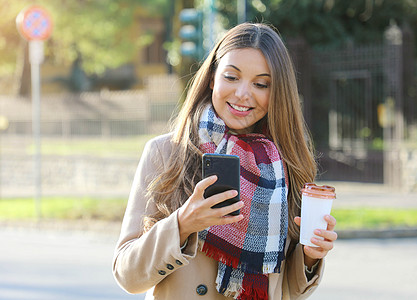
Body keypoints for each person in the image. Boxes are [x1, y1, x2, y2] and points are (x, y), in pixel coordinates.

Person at [112, 22, 337, 300]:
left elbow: (285, 290)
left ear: (277, 92)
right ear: (212, 78)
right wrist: (182, 225)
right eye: (231, 77)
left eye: (260, 84)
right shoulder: (166, 153)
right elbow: (127, 274)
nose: (243, 93)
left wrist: (310, 257)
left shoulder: (284, 164)